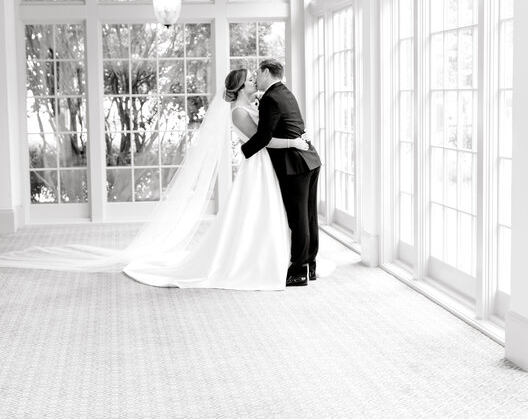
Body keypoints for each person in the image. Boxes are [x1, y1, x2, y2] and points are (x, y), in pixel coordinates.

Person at [0, 68, 331, 290]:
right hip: (256, 166)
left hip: (267, 167)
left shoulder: (257, 103)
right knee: (254, 216)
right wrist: (293, 142)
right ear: (240, 87)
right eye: (249, 80)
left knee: (272, 215)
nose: (254, 82)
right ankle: (255, 261)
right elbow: (259, 141)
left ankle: (283, 259)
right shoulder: (239, 112)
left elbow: (268, 127)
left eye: (254, 78)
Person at [241, 59, 322, 287]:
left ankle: (298, 271)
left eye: (257, 73)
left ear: (266, 72)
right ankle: (310, 266)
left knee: (298, 220)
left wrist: (244, 151)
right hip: (310, 159)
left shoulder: (270, 98)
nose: (256, 77)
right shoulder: (285, 92)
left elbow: (263, 137)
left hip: (294, 165)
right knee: (309, 217)